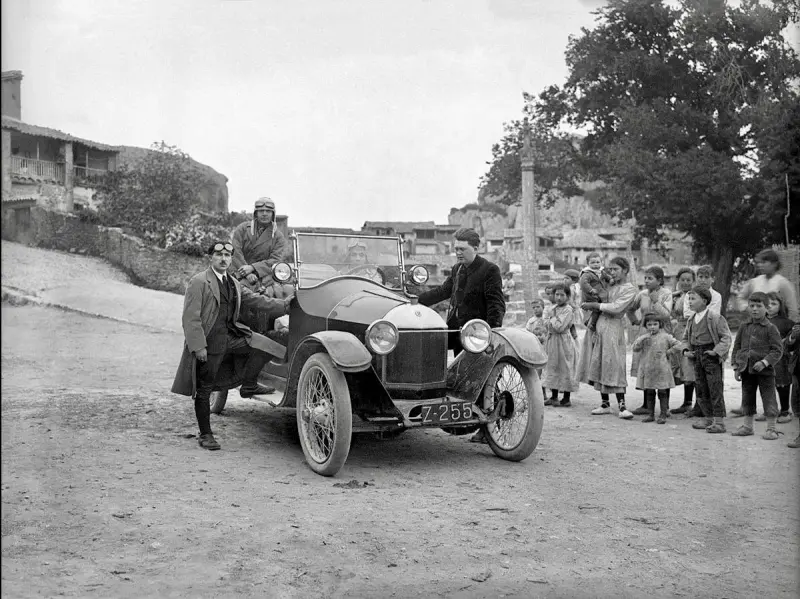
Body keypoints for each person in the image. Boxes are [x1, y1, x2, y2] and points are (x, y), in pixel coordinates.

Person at [171, 241, 293, 450]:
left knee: (266, 345)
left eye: (228, 255)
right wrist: (198, 347)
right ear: (211, 258)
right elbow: (190, 319)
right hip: (209, 342)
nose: (224, 259)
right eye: (219, 255)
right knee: (204, 388)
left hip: (231, 336)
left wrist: (285, 305)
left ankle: (248, 385)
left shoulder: (233, 283)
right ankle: (206, 435)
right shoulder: (199, 282)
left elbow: (255, 300)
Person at [418, 227, 505, 444]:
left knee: (483, 380)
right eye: (455, 248)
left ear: (476, 248)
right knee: (434, 355)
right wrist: (414, 301)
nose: (458, 252)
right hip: (456, 331)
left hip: (477, 336)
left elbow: (496, 303)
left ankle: (488, 430)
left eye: (462, 249)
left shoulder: (489, 270)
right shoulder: (457, 269)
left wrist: (491, 333)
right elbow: (442, 292)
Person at [577, 256, 638, 419]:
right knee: (599, 361)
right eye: (610, 269)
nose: (612, 272)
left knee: (615, 363)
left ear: (625, 270)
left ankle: (622, 405)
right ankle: (604, 403)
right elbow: (591, 293)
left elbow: (617, 308)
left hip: (613, 327)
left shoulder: (629, 289)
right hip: (599, 325)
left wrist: (596, 306)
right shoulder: (607, 284)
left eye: (616, 269)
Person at [730, 292, 784, 440]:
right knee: (747, 397)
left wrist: (764, 362)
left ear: (766, 308)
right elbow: (737, 347)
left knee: (769, 398)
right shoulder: (744, 326)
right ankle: (747, 427)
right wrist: (736, 366)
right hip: (746, 370)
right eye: (751, 306)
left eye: (759, 306)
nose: (754, 309)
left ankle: (771, 429)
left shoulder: (771, 328)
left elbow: (777, 350)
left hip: (765, 372)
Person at [680, 286, 732, 434]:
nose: (689, 302)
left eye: (693, 298)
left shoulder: (714, 317)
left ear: (704, 300)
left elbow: (726, 337)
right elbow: (685, 338)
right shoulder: (691, 319)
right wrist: (686, 350)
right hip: (697, 355)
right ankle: (708, 418)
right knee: (701, 388)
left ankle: (719, 422)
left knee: (715, 388)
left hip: (710, 355)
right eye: (689, 299)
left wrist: (715, 352)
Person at [629, 266, 674, 415]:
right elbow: (631, 308)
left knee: (662, 367)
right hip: (645, 335)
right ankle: (646, 404)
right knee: (645, 366)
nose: (647, 281)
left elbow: (667, 315)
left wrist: (656, 302)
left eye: (650, 278)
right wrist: (635, 320)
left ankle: (664, 407)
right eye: (645, 278)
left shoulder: (666, 294)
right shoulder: (642, 294)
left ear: (660, 280)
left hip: (662, 334)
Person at [230, 197, 290, 291]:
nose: (264, 214)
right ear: (256, 213)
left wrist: (253, 268)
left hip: (265, 279)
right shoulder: (242, 229)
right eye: (261, 211)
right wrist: (247, 273)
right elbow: (235, 252)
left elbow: (275, 260)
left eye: (268, 211)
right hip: (238, 274)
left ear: (273, 214)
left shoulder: (278, 237)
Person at [632, 312, 681, 424]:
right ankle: (650, 414)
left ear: (660, 325)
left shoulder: (666, 337)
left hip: (662, 369)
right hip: (648, 369)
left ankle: (663, 414)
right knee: (649, 392)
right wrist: (640, 340)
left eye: (655, 324)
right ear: (646, 326)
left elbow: (678, 345)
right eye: (649, 324)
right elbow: (635, 348)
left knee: (662, 391)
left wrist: (669, 352)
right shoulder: (644, 338)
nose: (652, 327)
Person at [541, 283, 579, 407]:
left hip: (564, 342)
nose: (559, 297)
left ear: (567, 296)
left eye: (562, 295)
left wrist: (552, 319)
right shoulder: (553, 308)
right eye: (557, 294)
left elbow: (559, 327)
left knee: (565, 367)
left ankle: (566, 398)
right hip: (552, 342)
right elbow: (545, 323)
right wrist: (552, 319)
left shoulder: (568, 310)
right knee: (553, 366)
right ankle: (554, 396)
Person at [737, 249, 799, 322]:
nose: (760, 265)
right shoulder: (754, 282)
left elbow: (792, 309)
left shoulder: (783, 283)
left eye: (764, 262)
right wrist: (747, 308)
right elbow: (741, 297)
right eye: (759, 263)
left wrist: (790, 328)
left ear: (774, 264)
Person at [670, 267, 699, 415]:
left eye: (689, 280)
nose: (686, 282)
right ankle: (686, 402)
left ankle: (694, 403)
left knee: (689, 366)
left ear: (693, 281)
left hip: (690, 330)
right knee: (681, 366)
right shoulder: (677, 295)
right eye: (682, 280)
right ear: (678, 281)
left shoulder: (693, 296)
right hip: (677, 331)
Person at [579, 252, 613, 332]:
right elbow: (584, 283)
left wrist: (610, 279)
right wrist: (590, 290)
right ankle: (592, 324)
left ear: (601, 262)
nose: (596, 264)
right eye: (593, 262)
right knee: (597, 309)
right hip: (590, 296)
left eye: (598, 262)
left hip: (599, 294)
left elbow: (606, 276)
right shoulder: (587, 273)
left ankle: (589, 322)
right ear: (588, 264)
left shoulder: (601, 271)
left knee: (600, 308)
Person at [526, 298, 548, 401]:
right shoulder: (531, 322)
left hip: (547, 348)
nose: (536, 310)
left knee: (546, 371)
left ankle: (551, 393)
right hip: (537, 349)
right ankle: (541, 394)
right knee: (537, 372)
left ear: (543, 307)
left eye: (538, 307)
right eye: (533, 308)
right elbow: (528, 334)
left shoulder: (546, 320)